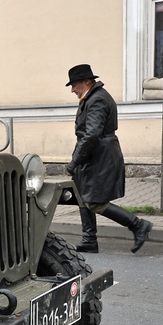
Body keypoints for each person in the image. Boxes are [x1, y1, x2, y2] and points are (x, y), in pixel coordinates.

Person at [65, 64, 152, 253]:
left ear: (87, 82)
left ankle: (138, 225)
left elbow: (92, 134)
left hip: (99, 155)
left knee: (94, 201)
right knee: (81, 195)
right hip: (93, 153)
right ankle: (89, 239)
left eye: (74, 84)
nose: (72, 89)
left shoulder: (96, 99)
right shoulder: (91, 97)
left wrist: (75, 161)